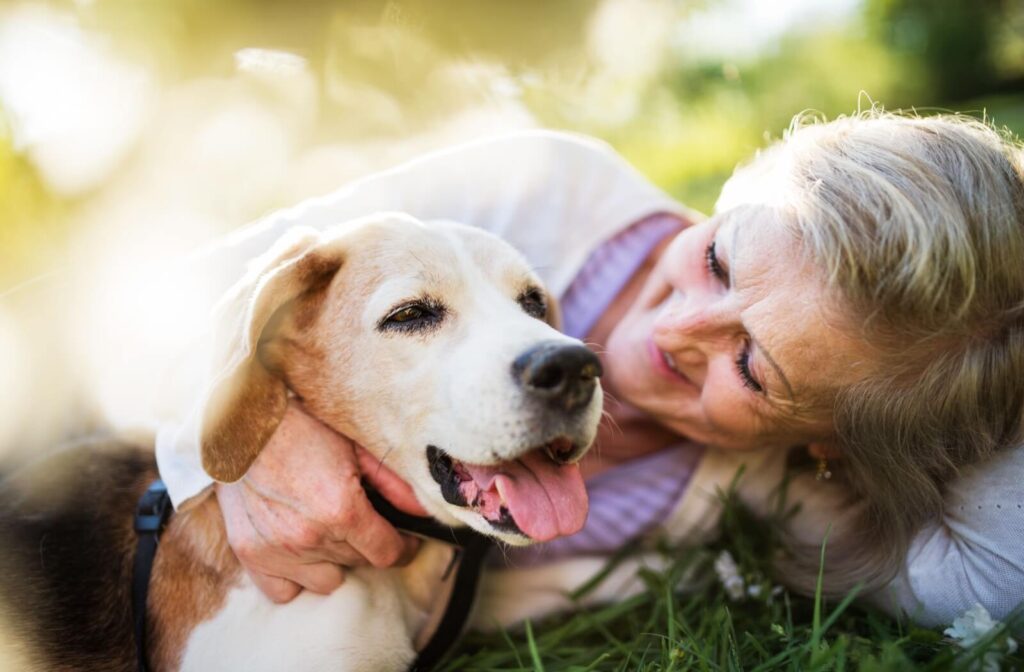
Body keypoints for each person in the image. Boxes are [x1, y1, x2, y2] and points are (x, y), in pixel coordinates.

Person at [155, 110, 1024, 629]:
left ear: (830, 440)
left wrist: (986, 358)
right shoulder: (543, 188)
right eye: (718, 260)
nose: (673, 330)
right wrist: (231, 444)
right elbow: (148, 302)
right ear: (734, 190)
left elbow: (999, 578)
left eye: (752, 368)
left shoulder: (779, 486)